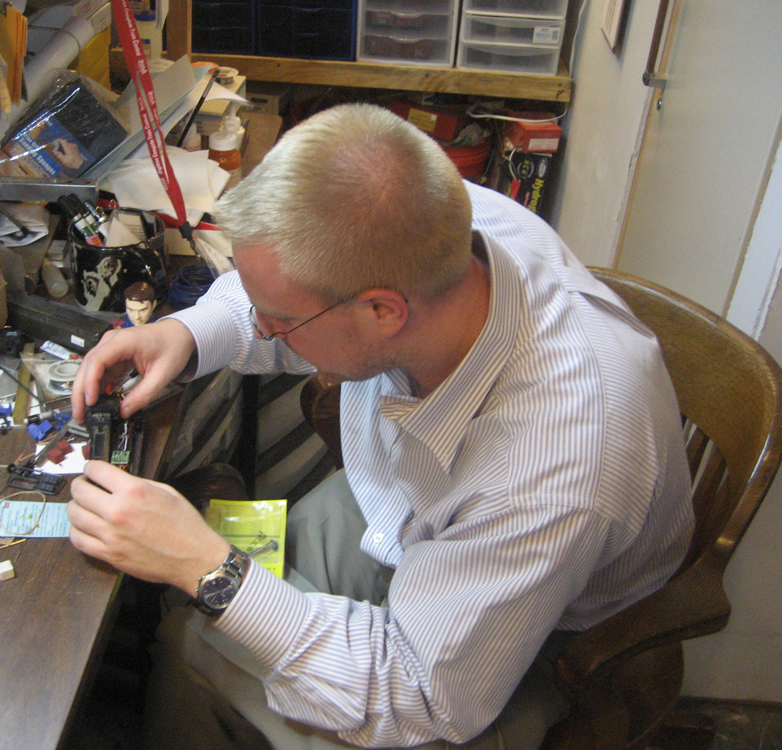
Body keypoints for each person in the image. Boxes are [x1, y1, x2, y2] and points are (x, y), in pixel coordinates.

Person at [66, 103, 693, 750]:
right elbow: (297, 292)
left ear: (382, 311)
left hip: (529, 643)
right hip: (418, 503)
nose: (260, 330)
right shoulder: (435, 222)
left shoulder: (552, 465)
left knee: (193, 642)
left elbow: (421, 696)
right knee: (198, 605)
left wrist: (210, 568)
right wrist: (188, 332)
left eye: (277, 322)